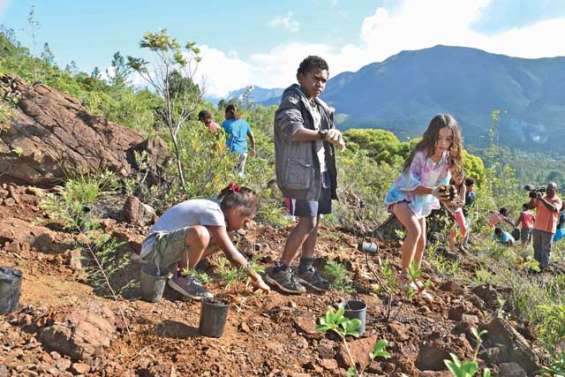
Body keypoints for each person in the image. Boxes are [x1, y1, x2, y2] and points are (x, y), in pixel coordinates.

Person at [266, 55, 346, 294]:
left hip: (319, 171)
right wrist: (323, 134)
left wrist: (333, 136)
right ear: (301, 76)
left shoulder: (318, 105)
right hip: (300, 172)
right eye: (315, 78)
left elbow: (323, 132)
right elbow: (292, 129)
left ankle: (306, 267)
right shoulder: (292, 99)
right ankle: (280, 269)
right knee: (308, 221)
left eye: (324, 81)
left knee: (316, 220)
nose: (320, 84)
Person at [140, 183, 270, 300]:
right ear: (236, 211)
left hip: (163, 251)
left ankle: (178, 270)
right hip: (153, 251)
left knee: (224, 237)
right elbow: (232, 255)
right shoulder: (213, 212)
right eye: (245, 221)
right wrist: (256, 277)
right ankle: (182, 278)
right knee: (201, 234)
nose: (245, 226)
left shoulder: (216, 207)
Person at [384, 113, 463, 294]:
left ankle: (414, 277)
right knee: (415, 231)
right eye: (440, 138)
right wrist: (433, 191)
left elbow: (443, 184)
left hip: (422, 201)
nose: (443, 143)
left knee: (422, 241)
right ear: (432, 135)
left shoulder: (446, 160)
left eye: (448, 139)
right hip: (403, 196)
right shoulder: (421, 155)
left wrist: (451, 199)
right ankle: (403, 278)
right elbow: (411, 184)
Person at [529, 182, 562, 270]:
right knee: (536, 248)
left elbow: (553, 209)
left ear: (555, 190)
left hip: (548, 229)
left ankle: (543, 268)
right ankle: (535, 267)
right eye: (547, 189)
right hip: (537, 227)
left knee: (545, 250)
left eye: (551, 189)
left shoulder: (557, 200)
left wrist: (542, 200)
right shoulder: (541, 198)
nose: (548, 191)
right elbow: (530, 206)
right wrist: (532, 198)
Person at [222, 104, 256, 177]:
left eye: (225, 113)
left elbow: (220, 137)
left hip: (232, 152)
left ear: (228, 113)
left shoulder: (226, 123)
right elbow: (252, 136)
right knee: (240, 174)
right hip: (243, 152)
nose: (225, 116)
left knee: (229, 175)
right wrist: (253, 149)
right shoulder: (244, 123)